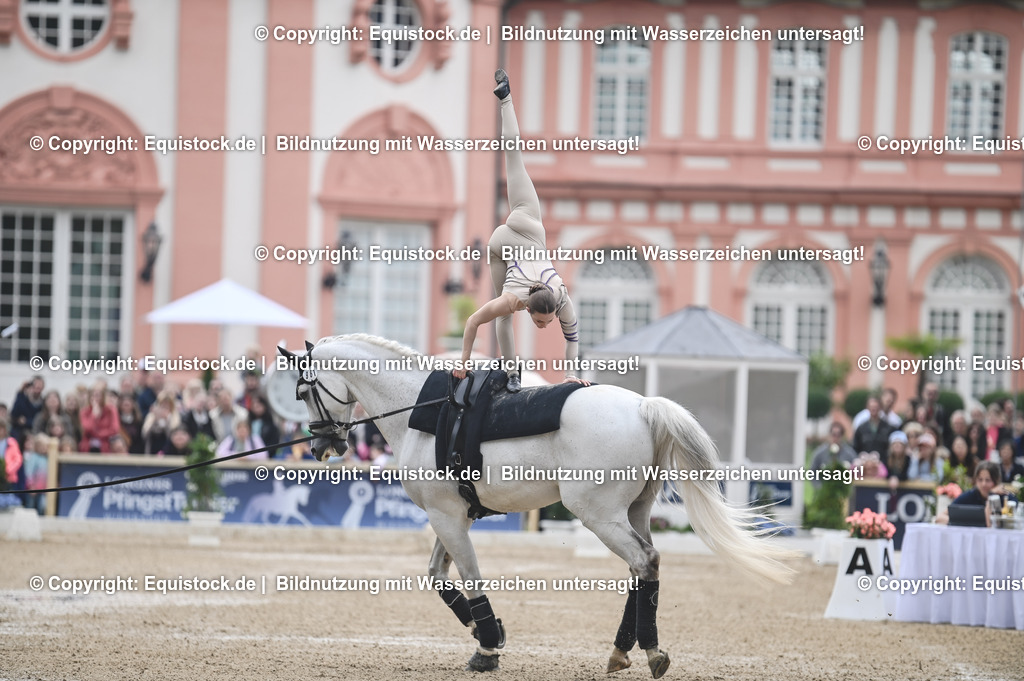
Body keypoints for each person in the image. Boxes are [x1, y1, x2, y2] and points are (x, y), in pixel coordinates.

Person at [453, 70, 587, 393]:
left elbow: (572, 343)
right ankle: (513, 373)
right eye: (540, 322)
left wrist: (570, 376)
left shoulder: (558, 297)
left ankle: (506, 98)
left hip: (519, 231)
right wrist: (463, 362)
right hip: (510, 236)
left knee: (515, 158)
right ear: (531, 306)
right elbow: (573, 340)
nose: (541, 326)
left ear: (552, 308)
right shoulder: (519, 299)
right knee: (502, 313)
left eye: (543, 322)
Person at [808, 421, 857, 488]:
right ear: (829, 435)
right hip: (824, 490)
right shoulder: (820, 453)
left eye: (838, 435)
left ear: (842, 436)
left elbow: (857, 472)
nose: (835, 438)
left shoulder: (850, 454)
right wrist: (819, 487)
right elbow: (812, 472)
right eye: (833, 435)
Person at [79, 382, 121, 453]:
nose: (95, 398)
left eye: (98, 395)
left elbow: (114, 429)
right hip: (88, 445)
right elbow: (87, 429)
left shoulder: (111, 410)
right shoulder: (84, 411)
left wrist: (98, 434)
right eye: (93, 396)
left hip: (106, 443)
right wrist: (93, 415)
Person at [852, 396, 894, 466]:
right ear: (867, 408)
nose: (874, 409)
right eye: (871, 407)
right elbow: (855, 447)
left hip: (882, 465)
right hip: (864, 465)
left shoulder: (888, 428)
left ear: (880, 408)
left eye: (876, 407)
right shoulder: (861, 428)